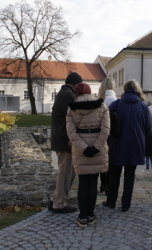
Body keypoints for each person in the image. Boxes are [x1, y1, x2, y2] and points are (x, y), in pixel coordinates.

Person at [102, 80, 152, 212]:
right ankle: (126, 204)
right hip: (135, 144)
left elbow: (106, 125)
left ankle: (111, 201)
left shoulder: (116, 104)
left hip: (117, 143)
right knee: (130, 175)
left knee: (114, 174)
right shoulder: (143, 107)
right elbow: (148, 128)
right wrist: (141, 138)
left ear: (124, 90)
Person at [66, 83, 110, 227]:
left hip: (80, 150)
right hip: (98, 149)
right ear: (90, 92)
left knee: (83, 183)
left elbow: (71, 134)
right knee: (93, 183)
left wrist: (84, 148)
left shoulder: (71, 109)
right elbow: (106, 131)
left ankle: (82, 216)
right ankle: (90, 214)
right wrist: (96, 147)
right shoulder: (102, 106)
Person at [48, 72, 83, 213]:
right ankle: (59, 203)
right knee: (66, 171)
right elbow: (77, 115)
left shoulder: (64, 93)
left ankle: (56, 198)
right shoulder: (68, 95)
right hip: (64, 139)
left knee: (69, 170)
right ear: (76, 85)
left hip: (61, 137)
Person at [97, 77, 117, 194]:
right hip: (113, 135)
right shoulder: (115, 100)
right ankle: (109, 184)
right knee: (110, 161)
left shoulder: (100, 100)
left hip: (100, 134)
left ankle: (103, 184)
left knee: (101, 160)